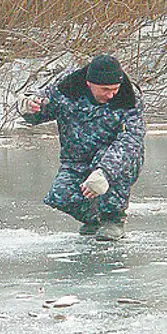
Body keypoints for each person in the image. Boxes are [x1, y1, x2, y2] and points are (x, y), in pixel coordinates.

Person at [17, 54, 145, 241]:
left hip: (115, 158)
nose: (111, 95)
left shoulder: (129, 97)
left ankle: (113, 219)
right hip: (76, 159)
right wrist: (28, 106)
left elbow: (131, 140)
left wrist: (105, 172)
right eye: (105, 89)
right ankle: (95, 218)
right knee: (60, 196)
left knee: (113, 163)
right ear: (89, 83)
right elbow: (42, 102)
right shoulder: (68, 87)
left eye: (115, 89)